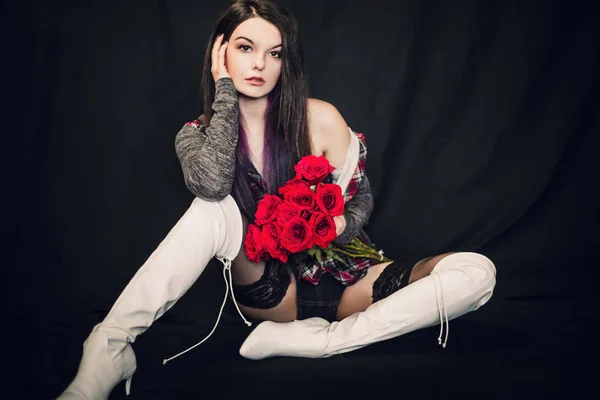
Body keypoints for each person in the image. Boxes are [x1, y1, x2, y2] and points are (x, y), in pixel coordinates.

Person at [58, 0, 496, 398]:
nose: (260, 65)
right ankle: (110, 344)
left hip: (348, 282)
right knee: (213, 207)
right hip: (271, 289)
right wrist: (224, 92)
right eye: (245, 48)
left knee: (476, 272)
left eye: (275, 53)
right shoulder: (195, 136)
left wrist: (342, 223)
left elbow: (359, 198)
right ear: (220, 51)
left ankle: (324, 341)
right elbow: (211, 185)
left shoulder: (320, 118)